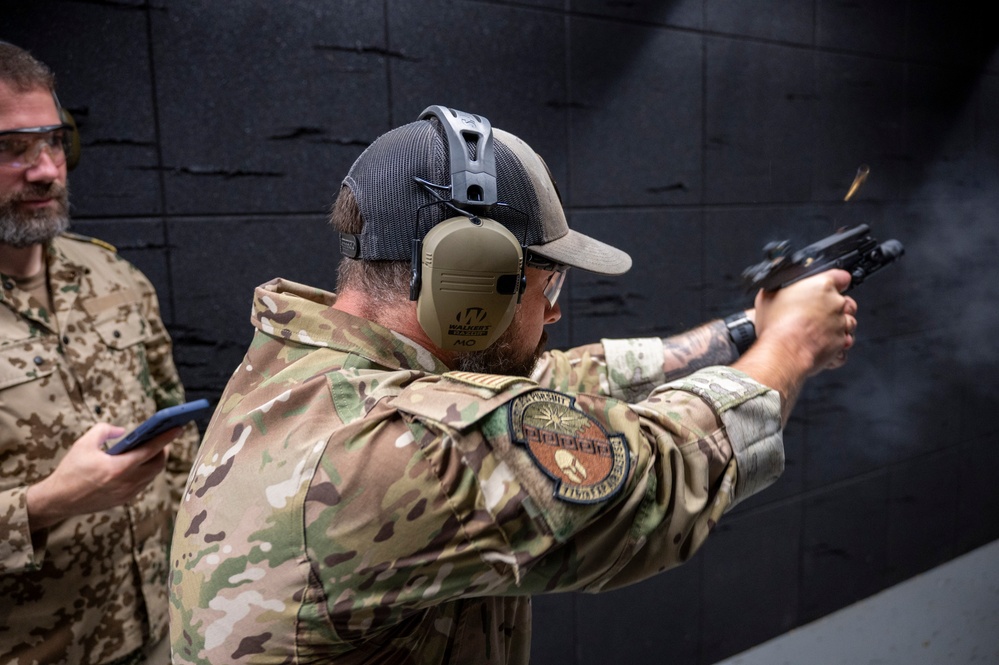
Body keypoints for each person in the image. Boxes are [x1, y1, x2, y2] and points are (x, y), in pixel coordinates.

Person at [168, 106, 858, 664]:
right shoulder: (402, 447)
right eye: (546, 281)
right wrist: (791, 346)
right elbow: (662, 477)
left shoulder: (301, 367)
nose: (555, 308)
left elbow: (542, 383)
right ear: (468, 278)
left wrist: (744, 328)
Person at [0, 42, 199, 664]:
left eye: (54, 142)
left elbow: (181, 443)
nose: (46, 170)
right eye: (11, 148)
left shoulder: (115, 279)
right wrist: (50, 501)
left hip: (159, 635)